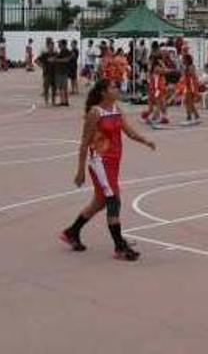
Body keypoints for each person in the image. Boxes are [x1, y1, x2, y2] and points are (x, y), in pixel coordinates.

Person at [59, 79, 156, 261]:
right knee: (113, 200)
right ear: (103, 92)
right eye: (113, 86)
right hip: (100, 163)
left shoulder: (116, 109)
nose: (117, 88)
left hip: (114, 162)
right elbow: (84, 143)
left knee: (100, 202)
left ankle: (72, 232)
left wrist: (145, 140)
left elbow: (128, 131)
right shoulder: (95, 113)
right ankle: (119, 246)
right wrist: (80, 170)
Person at [181, 54, 201, 125]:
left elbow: (193, 77)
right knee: (187, 102)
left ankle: (195, 116)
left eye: (183, 59)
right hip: (188, 85)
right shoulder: (186, 67)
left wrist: (195, 90)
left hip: (191, 86)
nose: (182, 60)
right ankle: (190, 116)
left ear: (186, 60)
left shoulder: (190, 67)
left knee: (190, 102)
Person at [36, 40, 57, 106]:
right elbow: (36, 60)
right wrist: (42, 66)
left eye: (52, 46)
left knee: (54, 88)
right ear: (48, 47)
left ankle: (53, 101)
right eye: (50, 46)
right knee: (46, 88)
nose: (51, 47)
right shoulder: (45, 54)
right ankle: (46, 101)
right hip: (47, 73)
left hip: (54, 73)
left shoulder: (56, 54)